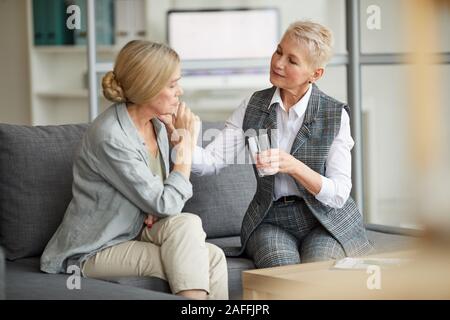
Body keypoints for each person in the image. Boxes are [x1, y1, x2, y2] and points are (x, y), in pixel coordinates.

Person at [162, 20, 374, 268]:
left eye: (292, 61)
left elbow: (338, 194)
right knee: (281, 270)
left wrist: (293, 165)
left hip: (325, 220)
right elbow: (211, 162)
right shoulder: (253, 106)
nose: (278, 63)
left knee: (317, 271)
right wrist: (180, 138)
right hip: (271, 219)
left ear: (315, 74)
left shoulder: (335, 114)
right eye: (279, 51)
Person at [40, 40, 228, 300]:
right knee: (195, 260)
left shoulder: (158, 126)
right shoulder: (110, 137)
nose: (180, 91)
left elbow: (160, 203)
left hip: (134, 231)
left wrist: (151, 206)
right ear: (147, 87)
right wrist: (184, 148)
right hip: (97, 248)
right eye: (172, 85)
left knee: (212, 253)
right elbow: (166, 203)